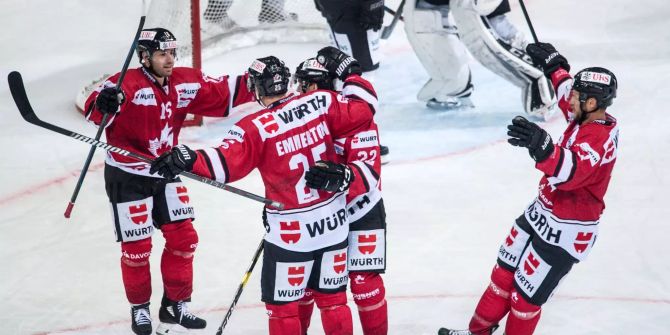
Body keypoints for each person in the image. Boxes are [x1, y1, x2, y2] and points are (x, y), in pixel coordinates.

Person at [149, 47, 382, 335]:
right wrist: (353, 75)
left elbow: (225, 166)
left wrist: (187, 157)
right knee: (333, 301)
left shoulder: (254, 127)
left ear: (257, 88)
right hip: (334, 226)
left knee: (283, 311)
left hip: (291, 234)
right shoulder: (322, 101)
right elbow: (364, 107)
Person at [438, 42, 619, 335]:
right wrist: (554, 65)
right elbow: (564, 93)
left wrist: (540, 145)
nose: (569, 100)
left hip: (567, 230)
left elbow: (570, 172)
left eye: (577, 96)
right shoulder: (585, 112)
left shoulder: (599, 139)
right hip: (541, 213)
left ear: (591, 104)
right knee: (502, 278)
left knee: (524, 300)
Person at [84, 27, 255, 335]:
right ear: (145, 57)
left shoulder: (184, 81)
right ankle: (140, 309)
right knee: (137, 250)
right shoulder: (126, 84)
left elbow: (223, 91)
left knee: (184, 239)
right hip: (128, 176)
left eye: (173, 53)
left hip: (165, 170)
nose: (170, 60)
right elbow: (95, 112)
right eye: (163, 54)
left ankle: (175, 305)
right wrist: (104, 104)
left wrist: (258, 78)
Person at [292, 58, 388, 335]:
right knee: (307, 284)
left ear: (316, 84)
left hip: (361, 208)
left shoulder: (354, 115)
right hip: (317, 213)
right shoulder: (296, 116)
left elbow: (369, 174)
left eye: (303, 83)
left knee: (363, 283)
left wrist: (345, 177)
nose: (298, 90)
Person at [403, 0, 556, 115]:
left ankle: (537, 79)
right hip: (426, 13)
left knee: (477, 8)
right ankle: (537, 78)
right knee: (452, 82)